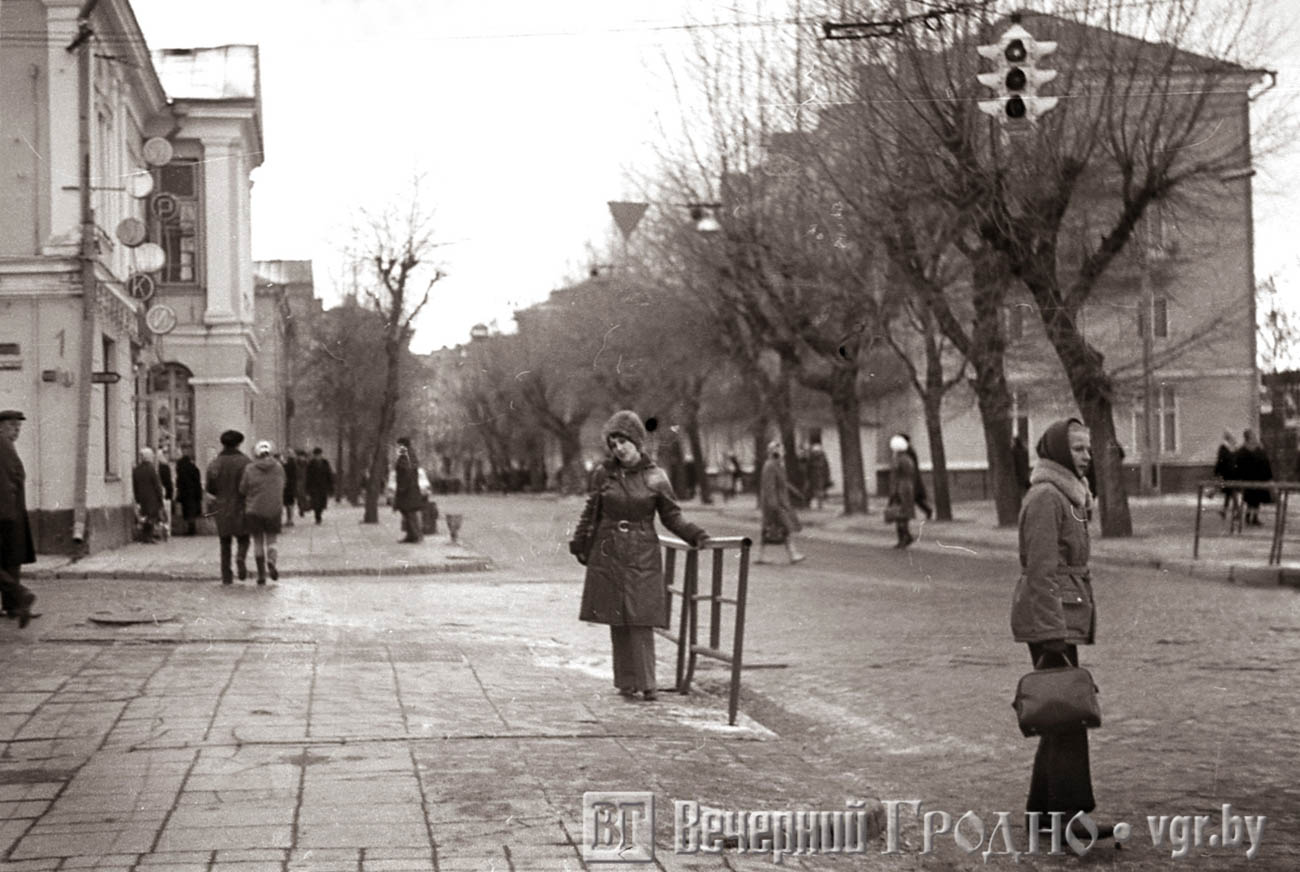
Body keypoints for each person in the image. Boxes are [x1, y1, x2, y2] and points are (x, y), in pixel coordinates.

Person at [1011, 418, 1113, 843]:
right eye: (1077, 449)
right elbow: (1040, 570)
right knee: (1068, 718)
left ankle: (1042, 815)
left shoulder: (1068, 495)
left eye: (1088, 448)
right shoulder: (1046, 498)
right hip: (1051, 619)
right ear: (1056, 452)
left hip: (1061, 617)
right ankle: (1071, 818)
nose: (1086, 456)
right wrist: (1053, 631)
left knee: (1059, 716)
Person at [569, 410, 710, 701]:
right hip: (608, 550)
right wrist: (581, 541)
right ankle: (625, 682)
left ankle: (648, 684)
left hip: (642, 550)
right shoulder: (604, 474)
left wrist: (696, 534)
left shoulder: (656, 477)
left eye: (623, 441)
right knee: (616, 616)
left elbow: (672, 517)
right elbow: (592, 509)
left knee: (640, 617)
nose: (618, 448)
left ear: (636, 440)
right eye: (613, 443)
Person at [0, 410, 37, 628]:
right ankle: (16, 602)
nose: (17, 430)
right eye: (13, 425)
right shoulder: (3, 446)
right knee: (9, 559)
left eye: (19, 427)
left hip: (8, 513)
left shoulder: (5, 446)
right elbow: (5, 483)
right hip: (7, 514)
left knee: (9, 559)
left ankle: (17, 600)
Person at [206, 429, 252, 585]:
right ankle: (240, 557)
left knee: (224, 543)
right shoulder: (246, 462)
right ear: (239, 443)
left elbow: (210, 488)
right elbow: (250, 486)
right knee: (244, 538)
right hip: (241, 505)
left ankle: (226, 575)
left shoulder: (215, 463)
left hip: (222, 507)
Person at [239, 440, 286, 585]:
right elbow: (283, 483)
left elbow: (243, 489)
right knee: (272, 540)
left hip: (254, 510)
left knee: (258, 542)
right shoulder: (278, 467)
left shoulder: (249, 469)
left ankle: (261, 575)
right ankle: (271, 561)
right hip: (274, 509)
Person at [757, 441, 805, 564]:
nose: (784, 452)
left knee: (780, 528)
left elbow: (783, 482)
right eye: (781, 449)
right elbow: (769, 487)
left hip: (780, 501)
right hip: (775, 503)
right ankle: (792, 554)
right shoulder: (770, 466)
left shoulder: (778, 465)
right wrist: (773, 505)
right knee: (781, 528)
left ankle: (762, 555)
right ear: (775, 451)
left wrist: (795, 492)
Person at [1235, 429, 1273, 527]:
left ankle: (1253, 518)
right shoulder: (1245, 450)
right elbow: (1238, 466)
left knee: (1255, 500)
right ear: (1248, 438)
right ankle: (1249, 517)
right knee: (1251, 500)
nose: (1255, 438)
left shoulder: (1254, 449)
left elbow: (1265, 462)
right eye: (1253, 436)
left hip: (1256, 478)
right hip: (1252, 478)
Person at [887, 434, 917, 548]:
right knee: (905, 513)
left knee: (898, 513)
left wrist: (893, 492)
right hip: (908, 487)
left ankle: (903, 538)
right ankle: (906, 536)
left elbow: (894, 477)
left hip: (900, 488)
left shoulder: (897, 460)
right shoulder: (908, 459)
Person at [393, 437, 424, 544]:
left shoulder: (406, 455)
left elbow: (407, 472)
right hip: (409, 489)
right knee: (408, 512)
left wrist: (402, 488)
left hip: (407, 490)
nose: (397, 447)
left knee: (409, 512)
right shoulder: (409, 454)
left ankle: (415, 536)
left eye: (399, 445)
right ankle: (412, 535)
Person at [131, 447, 165, 543]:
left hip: (142, 497)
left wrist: (137, 498)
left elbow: (135, 485)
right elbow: (157, 485)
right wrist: (160, 497)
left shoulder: (137, 470)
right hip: (152, 497)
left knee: (145, 516)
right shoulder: (151, 469)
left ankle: (145, 536)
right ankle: (149, 536)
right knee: (152, 517)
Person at [902, 434, 932, 520]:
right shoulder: (909, 450)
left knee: (914, 497)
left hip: (911, 477)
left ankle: (926, 511)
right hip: (912, 476)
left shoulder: (908, 451)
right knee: (915, 497)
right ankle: (927, 511)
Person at [175, 452, 203, 536]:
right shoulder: (194, 468)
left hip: (185, 493)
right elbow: (198, 482)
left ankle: (189, 529)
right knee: (192, 511)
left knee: (186, 511)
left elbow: (179, 482)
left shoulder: (181, 469)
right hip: (194, 493)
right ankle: (192, 529)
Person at [305, 447, 334, 525]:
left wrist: (331, 487)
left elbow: (329, 474)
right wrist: (307, 488)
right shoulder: (311, 464)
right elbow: (308, 476)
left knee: (322, 502)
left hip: (323, 486)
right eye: (316, 455)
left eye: (319, 455)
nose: (318, 456)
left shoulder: (325, 463)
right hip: (314, 487)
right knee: (316, 502)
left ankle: (319, 514)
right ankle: (317, 517)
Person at [1213, 431, 1238, 519]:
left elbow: (1220, 461)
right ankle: (1225, 511)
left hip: (1227, 473)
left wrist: (1216, 472)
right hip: (1231, 473)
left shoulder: (1224, 448)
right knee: (1229, 492)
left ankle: (1236, 512)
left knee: (1231, 491)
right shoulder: (1231, 447)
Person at [808, 443, 832, 510]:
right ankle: (819, 504)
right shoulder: (819, 458)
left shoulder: (814, 458)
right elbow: (826, 467)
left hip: (818, 476)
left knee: (819, 490)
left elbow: (826, 467)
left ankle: (820, 504)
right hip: (817, 476)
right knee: (818, 490)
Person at [280, 451, 298, 528]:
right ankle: (290, 519)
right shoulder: (293, 464)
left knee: (288, 504)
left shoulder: (288, 464)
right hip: (291, 486)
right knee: (289, 504)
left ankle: (289, 519)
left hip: (287, 486)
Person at [294, 449, 310, 518]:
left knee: (304, 496)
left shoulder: (307, 464)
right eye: (300, 456)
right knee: (300, 496)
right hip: (298, 481)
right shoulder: (296, 464)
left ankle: (304, 507)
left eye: (303, 457)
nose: (301, 458)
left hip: (306, 481)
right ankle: (301, 509)